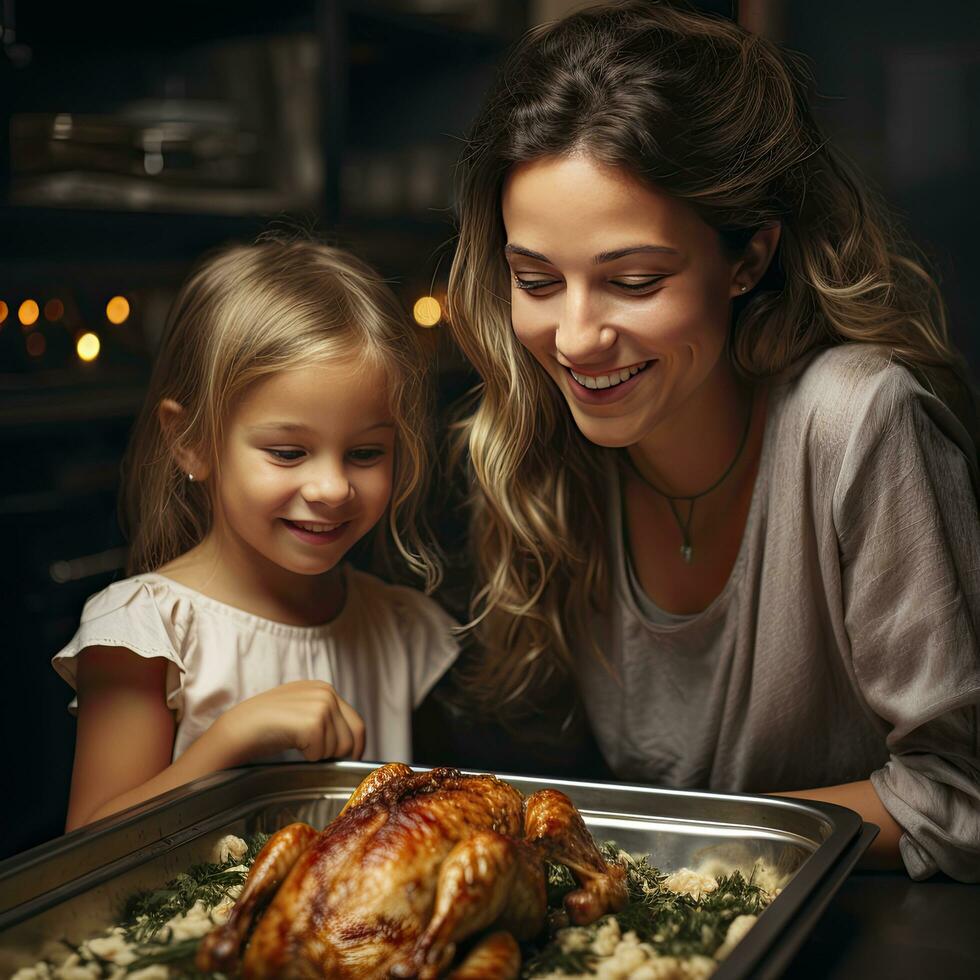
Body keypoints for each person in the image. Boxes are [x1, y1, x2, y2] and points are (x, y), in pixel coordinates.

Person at [446, 0, 980, 881]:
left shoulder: (857, 422)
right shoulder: (540, 439)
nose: (576, 339)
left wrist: (663, 840)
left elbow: (956, 797)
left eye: (634, 280)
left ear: (748, 259)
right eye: (536, 279)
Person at [53, 237, 458, 831]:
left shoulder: (397, 628)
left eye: (366, 452)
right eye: (289, 452)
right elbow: (86, 848)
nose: (332, 488)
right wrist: (231, 739)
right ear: (191, 440)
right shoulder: (148, 632)